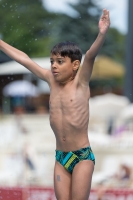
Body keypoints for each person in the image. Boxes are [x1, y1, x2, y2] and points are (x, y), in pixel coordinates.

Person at [0, 9, 110, 200]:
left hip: (82, 157)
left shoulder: (81, 82)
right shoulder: (50, 79)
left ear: (75, 65)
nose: (54, 66)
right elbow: (24, 59)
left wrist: (101, 33)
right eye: (52, 61)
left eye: (60, 62)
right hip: (61, 157)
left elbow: (91, 55)